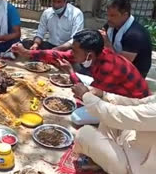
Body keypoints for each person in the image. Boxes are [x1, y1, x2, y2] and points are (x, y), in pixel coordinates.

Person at [12, 29, 150, 125]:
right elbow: (59, 55)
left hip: (131, 106)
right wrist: (27, 53)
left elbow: (87, 97)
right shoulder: (97, 54)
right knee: (79, 78)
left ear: (89, 55)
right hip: (108, 89)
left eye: (75, 51)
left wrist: (71, 72)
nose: (72, 53)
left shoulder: (108, 67)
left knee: (77, 117)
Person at [72, 83, 156, 174]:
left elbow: (119, 115)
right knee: (108, 118)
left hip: (134, 169)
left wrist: (86, 96)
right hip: (135, 150)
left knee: (85, 133)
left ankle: (107, 163)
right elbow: (136, 104)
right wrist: (104, 95)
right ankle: (104, 160)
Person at [101, 0, 152, 78]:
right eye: (108, 15)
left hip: (134, 75)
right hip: (113, 67)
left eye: (113, 15)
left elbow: (123, 63)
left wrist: (107, 44)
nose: (109, 18)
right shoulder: (110, 26)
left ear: (125, 15)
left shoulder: (135, 34)